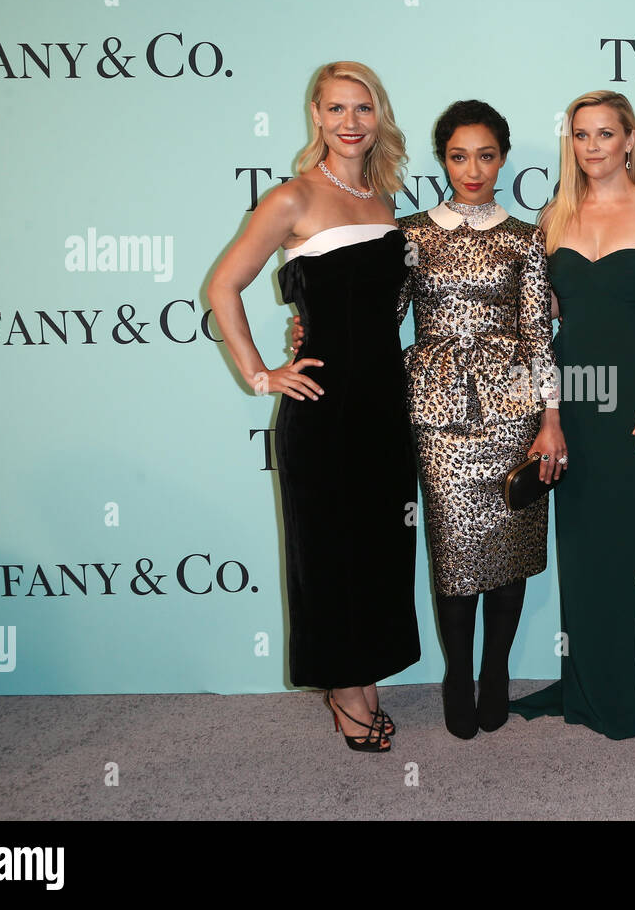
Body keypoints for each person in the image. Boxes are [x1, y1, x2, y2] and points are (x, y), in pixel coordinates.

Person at [207, 61, 418, 753]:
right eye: (336, 109)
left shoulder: (389, 200)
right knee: (328, 553)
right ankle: (347, 691)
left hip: (386, 406)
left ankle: (358, 675)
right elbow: (222, 287)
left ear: (378, 115)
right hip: (321, 413)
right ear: (316, 116)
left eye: (363, 108)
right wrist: (262, 374)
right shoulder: (292, 198)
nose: (350, 122)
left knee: (380, 549)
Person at [509, 91, 635, 739]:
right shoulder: (551, 217)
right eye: (581, 135)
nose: (592, 147)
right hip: (575, 398)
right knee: (583, 547)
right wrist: (546, 412)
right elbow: (541, 319)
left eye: (605, 134)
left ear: (629, 140)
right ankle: (592, 683)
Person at [400, 100, 563, 739]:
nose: (473, 169)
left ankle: (496, 672)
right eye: (459, 156)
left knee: (510, 546)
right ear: (443, 159)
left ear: (503, 159)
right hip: (437, 413)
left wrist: (550, 417)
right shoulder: (410, 234)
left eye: (486, 155)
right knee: (454, 551)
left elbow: (536, 334)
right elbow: (381, 321)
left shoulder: (525, 237)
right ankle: (458, 673)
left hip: (512, 411)